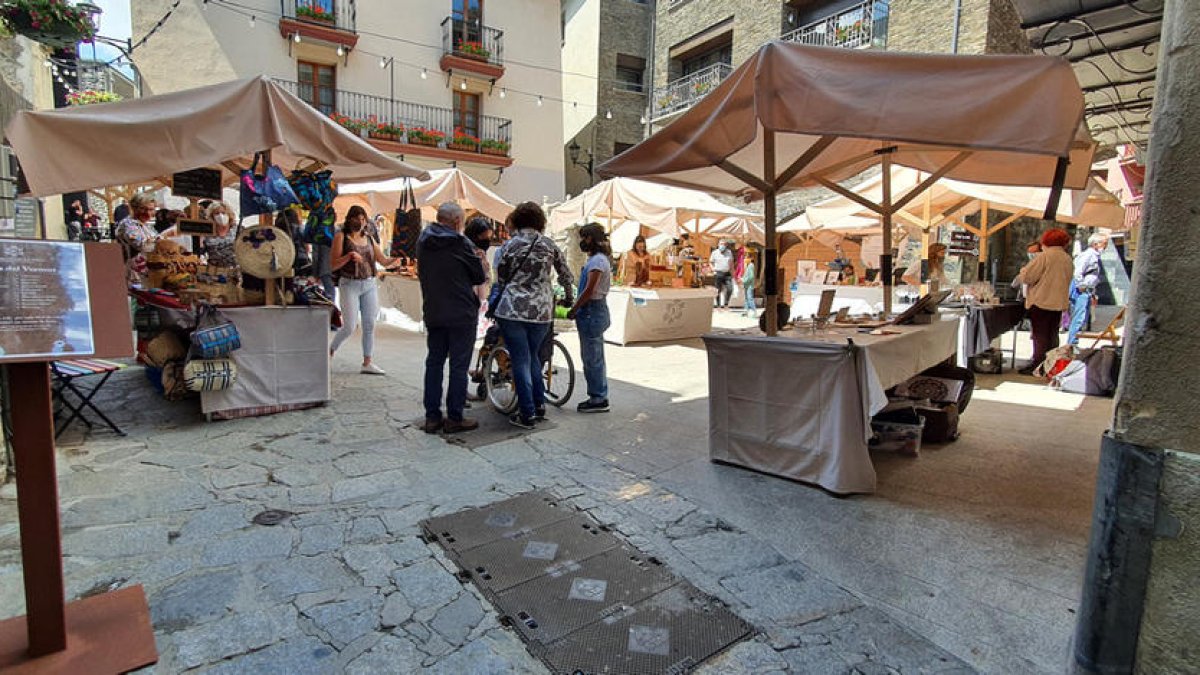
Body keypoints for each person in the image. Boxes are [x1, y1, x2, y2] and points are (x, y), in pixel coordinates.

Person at [493, 201, 574, 429]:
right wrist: (568, 299)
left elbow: (501, 279)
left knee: (520, 359)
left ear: (518, 220)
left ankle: (527, 413)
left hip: (513, 309)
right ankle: (539, 405)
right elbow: (566, 275)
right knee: (534, 358)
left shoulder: (510, 246)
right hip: (541, 311)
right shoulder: (550, 245)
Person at [418, 202, 486, 433]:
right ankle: (455, 417)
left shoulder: (423, 240)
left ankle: (432, 416)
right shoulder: (461, 243)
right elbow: (478, 276)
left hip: (434, 310)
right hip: (461, 312)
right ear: (457, 222)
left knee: (434, 363)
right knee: (458, 365)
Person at [329, 205, 404, 376]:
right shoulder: (341, 237)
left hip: (369, 283)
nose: (361, 222)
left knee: (369, 323)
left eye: (363, 219)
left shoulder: (369, 238)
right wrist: (348, 257)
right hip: (349, 283)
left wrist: (396, 259)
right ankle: (330, 350)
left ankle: (367, 362)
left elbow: (383, 260)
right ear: (349, 219)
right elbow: (332, 265)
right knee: (349, 325)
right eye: (357, 218)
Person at [1015, 228, 1073, 374]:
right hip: (1058, 302)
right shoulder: (1067, 258)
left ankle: (1038, 364)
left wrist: (1023, 271)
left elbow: (1027, 277)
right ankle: (1051, 363)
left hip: (1041, 300)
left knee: (1040, 335)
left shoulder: (1044, 257)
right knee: (1052, 334)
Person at [568, 223, 612, 413]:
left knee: (592, 357)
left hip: (591, 311)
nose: (581, 242)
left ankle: (598, 398)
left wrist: (574, 308)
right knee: (595, 355)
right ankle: (598, 394)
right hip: (595, 310)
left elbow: (589, 290)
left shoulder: (597, 262)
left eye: (584, 238)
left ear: (591, 239)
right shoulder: (599, 259)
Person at [1067, 233, 1109, 346]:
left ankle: (1073, 342)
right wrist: (1081, 285)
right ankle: (1072, 344)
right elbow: (1078, 271)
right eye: (1104, 244)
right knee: (1078, 318)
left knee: (1082, 317)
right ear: (1096, 244)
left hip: (1087, 290)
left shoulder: (1094, 256)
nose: (1105, 247)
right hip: (1082, 290)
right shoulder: (1088, 255)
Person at [115, 193, 160, 285]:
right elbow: (143, 246)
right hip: (134, 274)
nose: (147, 213)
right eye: (143, 209)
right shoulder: (128, 224)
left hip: (148, 273)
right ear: (134, 208)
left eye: (151, 209)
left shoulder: (147, 226)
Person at [710, 241, 734, 308]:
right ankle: (718, 305)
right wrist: (713, 269)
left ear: (726, 245)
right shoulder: (714, 252)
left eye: (724, 244)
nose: (722, 245)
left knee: (730, 289)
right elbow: (710, 262)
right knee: (718, 290)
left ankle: (726, 303)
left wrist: (733, 274)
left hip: (727, 273)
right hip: (718, 273)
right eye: (721, 244)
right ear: (718, 245)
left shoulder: (729, 252)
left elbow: (731, 263)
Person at [741, 249, 757, 317]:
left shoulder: (751, 265)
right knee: (746, 298)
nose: (745, 258)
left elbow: (751, 276)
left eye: (747, 257)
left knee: (750, 297)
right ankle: (746, 310)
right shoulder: (747, 265)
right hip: (746, 284)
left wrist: (744, 280)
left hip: (749, 285)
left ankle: (754, 311)